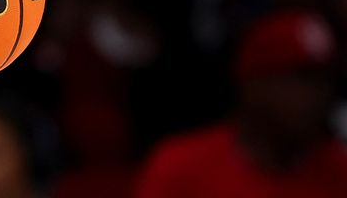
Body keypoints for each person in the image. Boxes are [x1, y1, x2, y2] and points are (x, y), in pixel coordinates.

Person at [134, 11, 347, 198]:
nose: (319, 96)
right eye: (302, 79)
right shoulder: (181, 168)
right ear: (253, 85)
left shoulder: (340, 171)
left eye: (325, 81)